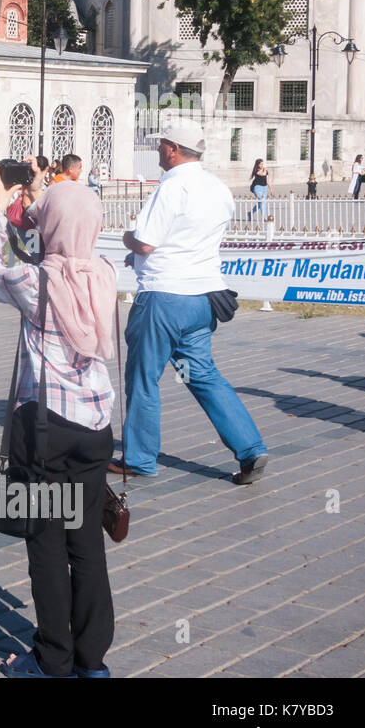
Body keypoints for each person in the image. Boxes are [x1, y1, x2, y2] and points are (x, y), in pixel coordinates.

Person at [0, 170, 118, 679]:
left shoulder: (33, 282)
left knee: (46, 546)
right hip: (96, 428)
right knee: (87, 546)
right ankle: (92, 661)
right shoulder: (104, 272)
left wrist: (0, 212)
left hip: (46, 433)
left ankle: (53, 660)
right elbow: (59, 246)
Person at [117, 117, 269, 485]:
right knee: (201, 375)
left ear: (172, 148)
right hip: (202, 296)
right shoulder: (217, 188)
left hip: (164, 296)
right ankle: (250, 448)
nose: (157, 150)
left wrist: (128, 241)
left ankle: (139, 458)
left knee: (143, 378)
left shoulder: (171, 187)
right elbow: (190, 239)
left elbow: (148, 242)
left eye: (160, 145)